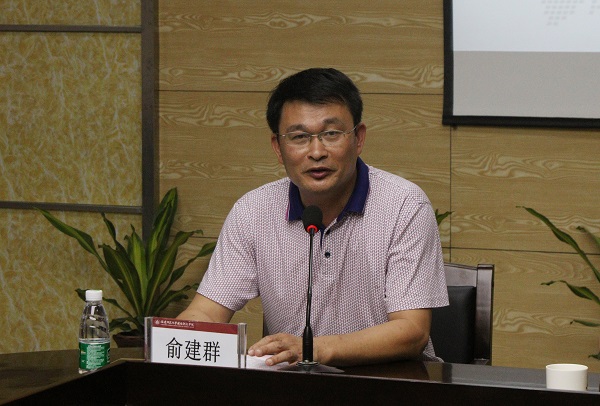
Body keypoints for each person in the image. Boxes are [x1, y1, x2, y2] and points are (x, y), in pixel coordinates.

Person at [177, 67, 448, 367]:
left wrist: (314, 349)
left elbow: (412, 330)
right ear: (278, 148)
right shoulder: (253, 211)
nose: (316, 152)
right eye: (299, 137)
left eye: (331, 134)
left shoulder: (404, 205)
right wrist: (170, 342)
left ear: (358, 138)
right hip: (296, 385)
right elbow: (207, 312)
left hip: (394, 382)